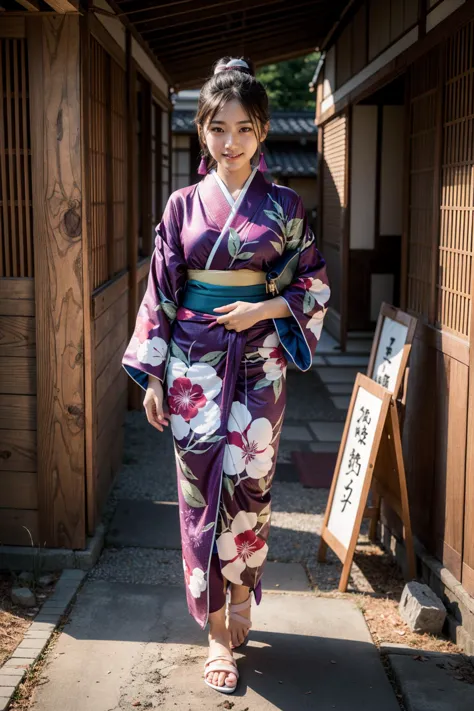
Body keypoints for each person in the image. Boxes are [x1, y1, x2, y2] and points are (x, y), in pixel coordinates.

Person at [122, 56, 330, 695]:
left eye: (243, 129)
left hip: (261, 361)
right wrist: (154, 376)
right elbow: (160, 289)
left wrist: (267, 306)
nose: (230, 143)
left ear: (262, 130)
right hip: (194, 369)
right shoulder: (183, 205)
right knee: (198, 494)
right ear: (202, 132)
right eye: (218, 129)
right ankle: (216, 630)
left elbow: (314, 282)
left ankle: (242, 596)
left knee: (252, 487)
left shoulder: (286, 205)